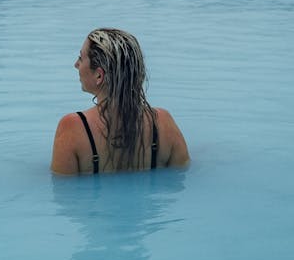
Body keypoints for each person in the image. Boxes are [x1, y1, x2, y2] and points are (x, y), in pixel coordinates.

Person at [51, 28, 190, 175]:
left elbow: (64, 190)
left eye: (80, 58)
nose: (76, 65)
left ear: (99, 76)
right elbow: (182, 176)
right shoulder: (163, 123)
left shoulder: (73, 128)